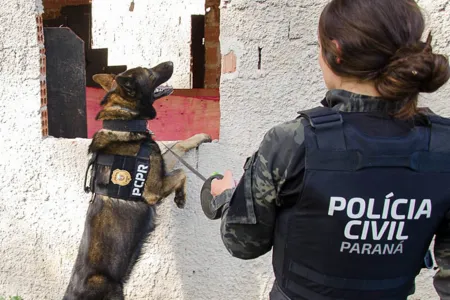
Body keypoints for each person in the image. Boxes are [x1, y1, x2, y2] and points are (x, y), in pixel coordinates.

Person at [209, 0, 450, 299]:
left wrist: (225, 196)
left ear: (335, 51)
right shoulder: (443, 145)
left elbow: (243, 243)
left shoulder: (292, 141)